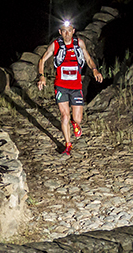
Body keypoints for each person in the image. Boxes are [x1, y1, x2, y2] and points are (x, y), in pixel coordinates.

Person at [36, 20, 103, 157]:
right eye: (64, 31)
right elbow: (42, 59)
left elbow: (88, 59)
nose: (67, 34)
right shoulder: (55, 45)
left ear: (73, 31)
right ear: (60, 32)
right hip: (61, 86)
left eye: (69, 31)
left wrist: (95, 70)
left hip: (76, 87)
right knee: (64, 116)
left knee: (77, 118)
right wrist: (41, 76)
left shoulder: (79, 44)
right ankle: (68, 144)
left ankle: (75, 123)